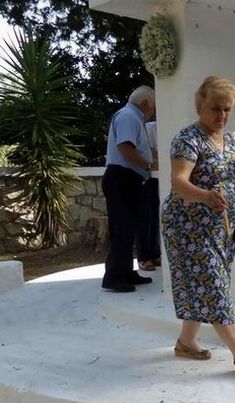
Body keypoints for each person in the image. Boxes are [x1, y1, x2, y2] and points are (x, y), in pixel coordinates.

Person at [161, 76, 235, 381]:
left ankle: (186, 343)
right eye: (215, 108)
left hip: (222, 230)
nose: (221, 116)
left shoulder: (229, 140)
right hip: (188, 228)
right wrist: (206, 196)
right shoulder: (188, 139)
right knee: (214, 288)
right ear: (200, 105)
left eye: (227, 110)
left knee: (207, 286)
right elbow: (178, 182)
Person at [102, 86, 156, 293]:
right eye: (152, 108)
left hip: (126, 178)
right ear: (144, 104)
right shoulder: (129, 116)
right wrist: (146, 165)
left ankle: (125, 272)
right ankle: (114, 277)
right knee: (122, 228)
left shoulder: (131, 116)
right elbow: (125, 147)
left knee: (128, 228)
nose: (152, 113)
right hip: (121, 178)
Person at [136, 120, 162, 271]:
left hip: (158, 177)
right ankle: (143, 257)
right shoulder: (150, 128)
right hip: (145, 175)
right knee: (144, 216)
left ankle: (154, 252)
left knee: (154, 215)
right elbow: (151, 153)